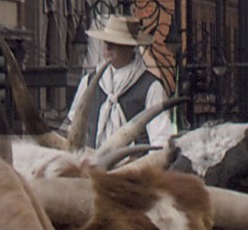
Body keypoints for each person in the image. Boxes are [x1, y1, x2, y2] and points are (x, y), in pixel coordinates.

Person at [70, 14, 173, 149]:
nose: (107, 47)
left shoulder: (151, 87)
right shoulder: (89, 82)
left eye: (113, 43)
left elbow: (161, 140)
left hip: (133, 168)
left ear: (130, 47)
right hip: (92, 167)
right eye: (106, 42)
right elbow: (73, 128)